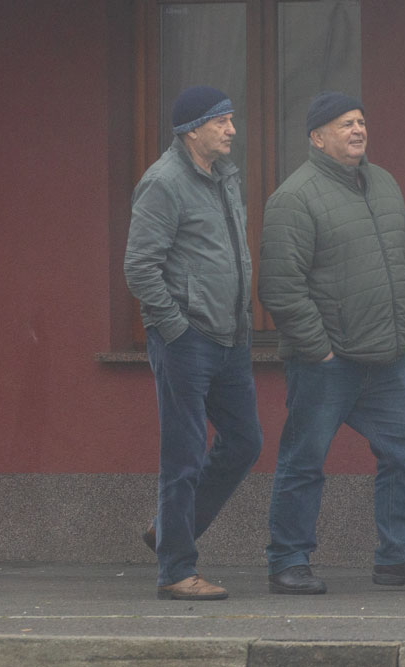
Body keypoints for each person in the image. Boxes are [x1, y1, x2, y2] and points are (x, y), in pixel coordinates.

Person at [258, 91, 405, 594]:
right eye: (345, 123)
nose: (358, 130)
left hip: (387, 357)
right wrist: (320, 350)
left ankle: (398, 557)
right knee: (304, 460)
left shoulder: (384, 182)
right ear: (317, 137)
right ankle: (288, 561)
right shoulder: (294, 197)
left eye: (361, 121)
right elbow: (280, 287)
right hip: (326, 363)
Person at [124, 86, 263, 600]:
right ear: (191, 130)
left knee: (245, 442)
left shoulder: (224, 176)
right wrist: (175, 327)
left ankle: (167, 531)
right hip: (187, 339)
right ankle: (176, 571)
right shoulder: (163, 183)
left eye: (231, 119)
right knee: (183, 455)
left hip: (231, 336)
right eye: (221, 121)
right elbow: (140, 267)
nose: (231, 129)